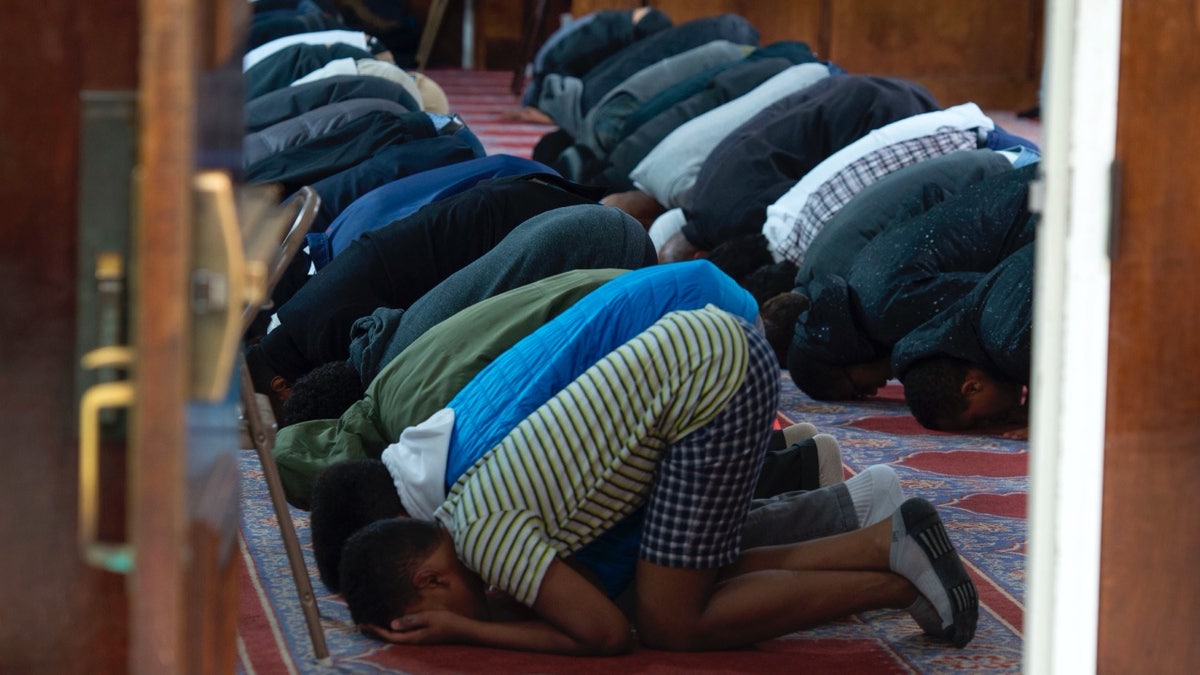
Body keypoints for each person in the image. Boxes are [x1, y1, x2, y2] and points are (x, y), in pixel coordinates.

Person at [336, 306, 978, 653]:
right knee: (680, 581)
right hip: (703, 355)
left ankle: (895, 585)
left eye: (427, 617)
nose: (438, 628)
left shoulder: (481, 538)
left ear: (430, 577)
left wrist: (469, 629)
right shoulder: (465, 515)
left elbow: (605, 637)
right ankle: (883, 542)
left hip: (708, 385)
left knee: (672, 621)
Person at [892, 243, 1034, 433]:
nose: (993, 422)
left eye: (981, 420)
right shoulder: (982, 326)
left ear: (972, 387)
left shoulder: (1008, 342)